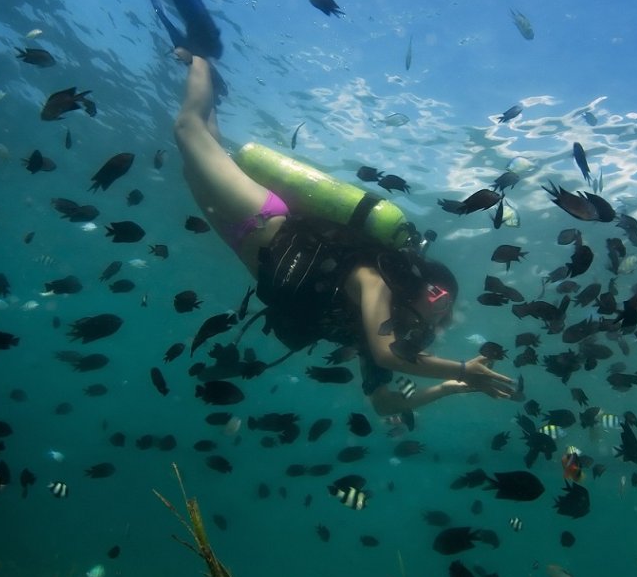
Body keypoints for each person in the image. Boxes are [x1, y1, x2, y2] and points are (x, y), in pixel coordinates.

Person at [173, 51, 516, 416]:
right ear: (421, 282)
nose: (441, 311)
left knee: (199, 152)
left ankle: (210, 84)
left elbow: (385, 404)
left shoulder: (377, 331)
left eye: (445, 307)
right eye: (440, 298)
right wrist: (463, 369)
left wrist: (450, 387)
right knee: (186, 130)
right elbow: (389, 355)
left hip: (237, 238)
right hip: (261, 217)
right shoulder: (375, 281)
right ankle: (199, 55)